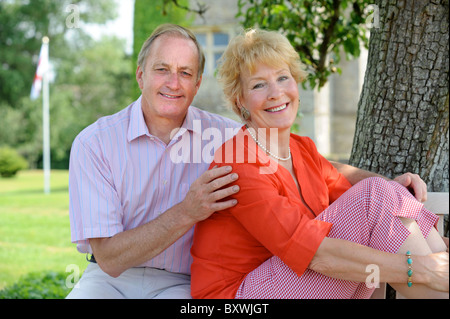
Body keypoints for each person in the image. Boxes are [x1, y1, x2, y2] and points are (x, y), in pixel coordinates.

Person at [67, 24, 430, 299]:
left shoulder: (227, 135)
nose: (173, 83)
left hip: (181, 283)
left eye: (186, 73)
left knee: (376, 199)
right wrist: (187, 211)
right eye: (162, 69)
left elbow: (324, 168)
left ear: (197, 84)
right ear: (140, 74)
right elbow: (111, 258)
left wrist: (384, 181)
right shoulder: (96, 144)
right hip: (110, 279)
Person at [190, 28, 449, 299]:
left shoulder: (302, 150)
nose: (276, 93)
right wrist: (423, 269)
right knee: (378, 194)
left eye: (282, 77)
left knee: (385, 192)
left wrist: (401, 198)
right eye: (258, 85)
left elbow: (370, 210)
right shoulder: (239, 163)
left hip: (292, 281)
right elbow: (316, 256)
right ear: (240, 101)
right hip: (240, 296)